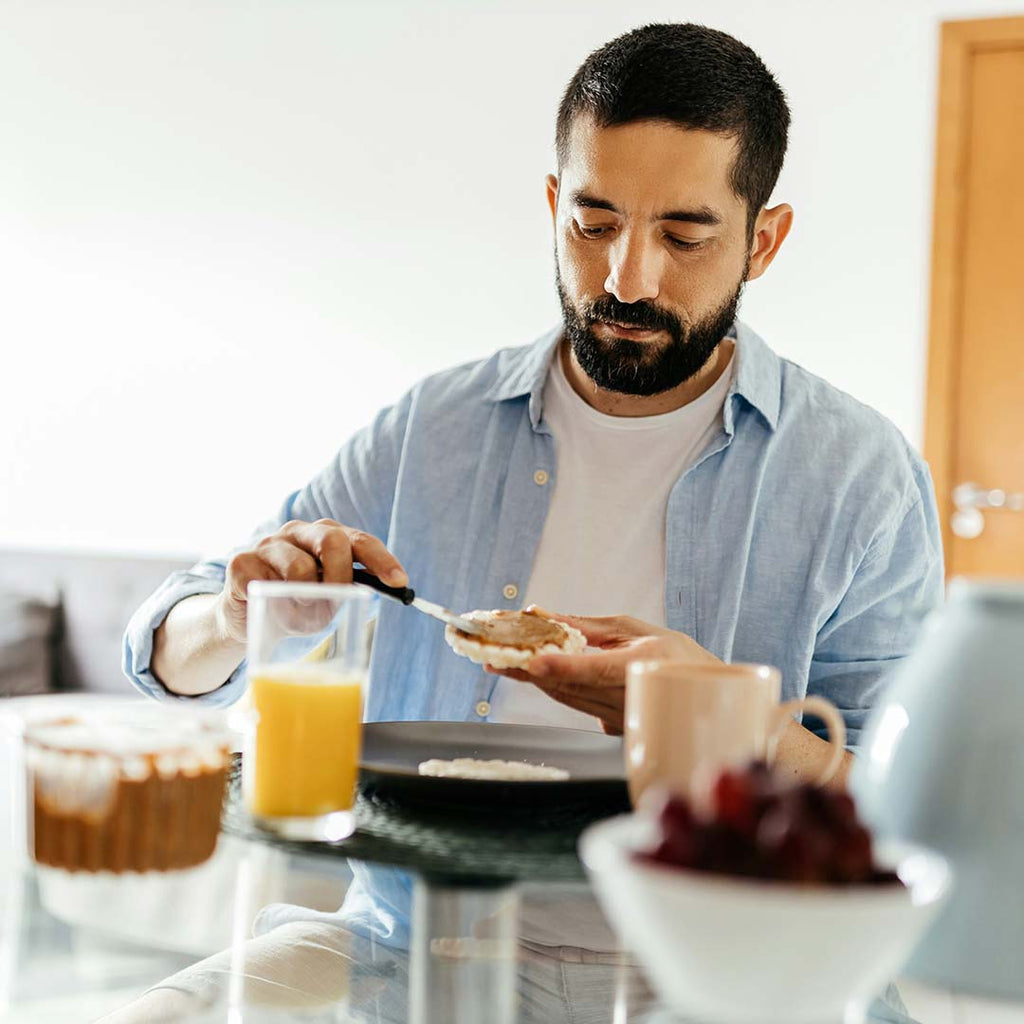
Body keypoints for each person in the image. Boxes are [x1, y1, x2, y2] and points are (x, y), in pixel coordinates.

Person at [121, 22, 941, 1022]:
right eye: (593, 225)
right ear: (554, 203)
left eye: (683, 237)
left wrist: (714, 720)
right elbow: (168, 649)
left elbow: (907, 811)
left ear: (760, 241)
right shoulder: (432, 428)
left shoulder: (860, 474)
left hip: (717, 973)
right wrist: (244, 616)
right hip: (409, 941)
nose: (626, 280)